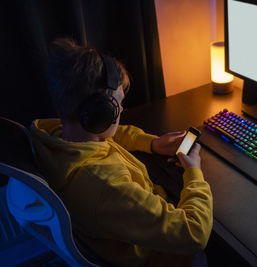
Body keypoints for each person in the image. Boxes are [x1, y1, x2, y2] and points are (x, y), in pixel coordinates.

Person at [30, 38, 213, 267]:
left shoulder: (58, 136)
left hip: (125, 230)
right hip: (163, 258)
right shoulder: (106, 187)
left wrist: (152, 143)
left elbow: (112, 134)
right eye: (118, 104)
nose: (122, 110)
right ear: (101, 114)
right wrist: (194, 171)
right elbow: (194, 234)